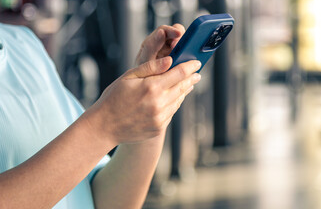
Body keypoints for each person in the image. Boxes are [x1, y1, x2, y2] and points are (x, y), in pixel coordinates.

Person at [0, 22, 201, 208]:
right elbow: (98, 133)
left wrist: (147, 116)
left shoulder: (24, 44)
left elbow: (106, 200)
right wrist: (103, 127)